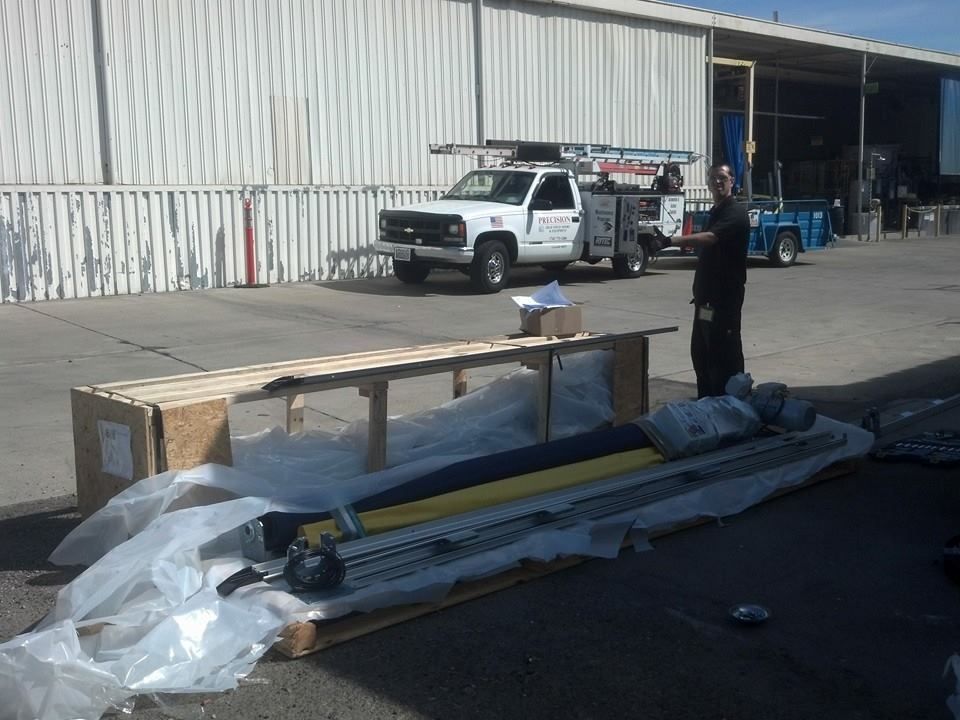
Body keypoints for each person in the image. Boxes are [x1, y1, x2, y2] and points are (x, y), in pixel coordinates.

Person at [654, 163, 750, 398]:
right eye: (713, 178)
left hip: (724, 299)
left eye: (722, 178)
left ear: (732, 181)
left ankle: (730, 403)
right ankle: (706, 401)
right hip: (706, 301)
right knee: (702, 352)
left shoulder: (735, 213)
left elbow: (710, 238)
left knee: (724, 353)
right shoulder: (715, 212)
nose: (718, 182)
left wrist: (671, 241)